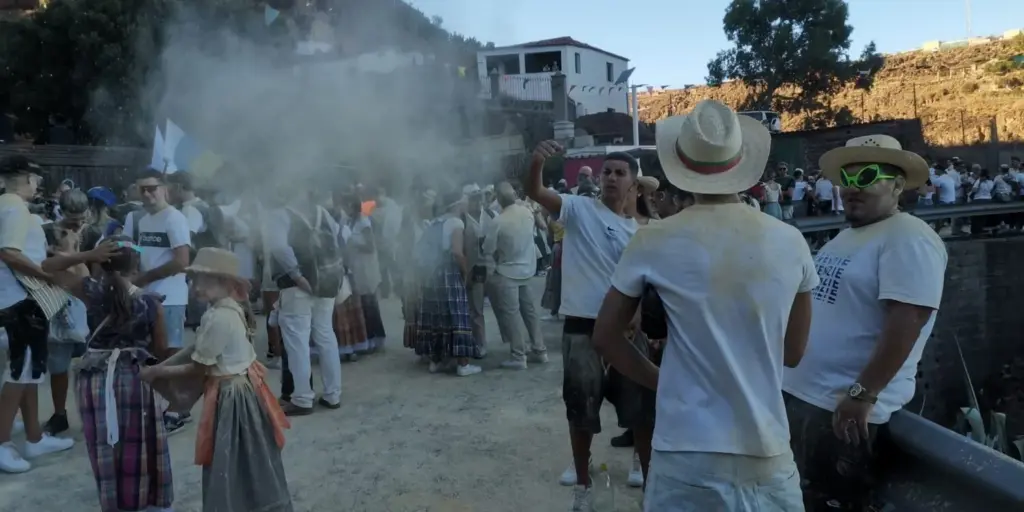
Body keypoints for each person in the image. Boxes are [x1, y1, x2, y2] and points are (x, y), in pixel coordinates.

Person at [592, 99, 817, 511]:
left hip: (685, 448)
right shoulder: (790, 241)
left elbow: (606, 336)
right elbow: (793, 352)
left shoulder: (653, 239)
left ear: (682, 169)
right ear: (740, 162)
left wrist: (663, 380)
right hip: (764, 446)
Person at [784, 134, 947, 511]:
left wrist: (863, 393)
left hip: (843, 412)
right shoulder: (846, 236)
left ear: (897, 185)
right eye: (846, 178)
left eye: (867, 176)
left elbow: (909, 317)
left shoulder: (909, 238)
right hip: (806, 401)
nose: (852, 188)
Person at [524, 142, 640, 510]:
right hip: (581, 327)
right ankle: (583, 486)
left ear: (632, 183)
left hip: (624, 333)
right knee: (581, 412)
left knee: (638, 409)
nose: (611, 178)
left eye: (620, 173)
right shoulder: (578, 208)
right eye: (607, 172)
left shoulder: (638, 233)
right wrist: (538, 161)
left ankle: (642, 470)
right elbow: (536, 192)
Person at [141, 248, 292, 512]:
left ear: (225, 283)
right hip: (239, 391)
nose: (196, 286)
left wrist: (156, 372)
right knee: (249, 458)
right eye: (194, 279)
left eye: (204, 280)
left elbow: (200, 367)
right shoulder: (227, 310)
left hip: (233, 397)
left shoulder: (220, 317)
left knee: (229, 459)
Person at [52, 236, 174, 512]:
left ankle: (115, 502)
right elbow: (161, 349)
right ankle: (146, 501)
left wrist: (86, 254)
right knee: (141, 441)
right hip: (135, 378)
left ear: (101, 263)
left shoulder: (90, 292)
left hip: (94, 380)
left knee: (104, 444)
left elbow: (50, 266)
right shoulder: (151, 302)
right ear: (136, 265)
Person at [0, 156, 81, 473]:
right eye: (35, 179)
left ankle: (33, 437)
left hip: (16, 299)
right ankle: (3, 442)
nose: (37, 185)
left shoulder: (9, 206)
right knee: (19, 373)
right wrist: (47, 276)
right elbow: (9, 253)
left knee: (30, 371)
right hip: (22, 300)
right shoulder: (15, 207)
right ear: (24, 178)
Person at [122, 169, 193, 432]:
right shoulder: (144, 220)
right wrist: (132, 254)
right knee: (155, 354)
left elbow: (182, 261)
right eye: (142, 189)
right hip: (147, 295)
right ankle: (169, 405)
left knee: (171, 355)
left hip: (170, 296)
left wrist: (143, 278)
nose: (148, 194)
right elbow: (146, 249)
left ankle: (179, 409)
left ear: (165, 188)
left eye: (152, 188)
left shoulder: (174, 219)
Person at [266, 189, 344, 415]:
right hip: (326, 283)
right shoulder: (323, 213)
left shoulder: (280, 215)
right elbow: (338, 241)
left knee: (297, 343)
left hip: (296, 287)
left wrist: (298, 276)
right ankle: (332, 394)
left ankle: (302, 398)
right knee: (326, 336)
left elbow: (280, 248)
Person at [414, 190, 482, 376]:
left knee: (437, 317)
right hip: (448, 272)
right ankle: (463, 364)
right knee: (457, 315)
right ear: (458, 205)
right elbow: (457, 252)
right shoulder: (455, 222)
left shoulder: (435, 222)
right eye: (465, 202)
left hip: (432, 274)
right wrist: (465, 271)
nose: (467, 205)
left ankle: (436, 362)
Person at [483, 182, 547, 370]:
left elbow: (488, 249)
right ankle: (539, 349)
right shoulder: (526, 212)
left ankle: (519, 355)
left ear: (499, 200)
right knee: (530, 312)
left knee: (512, 316)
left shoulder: (498, 221)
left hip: (507, 272)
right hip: (527, 269)